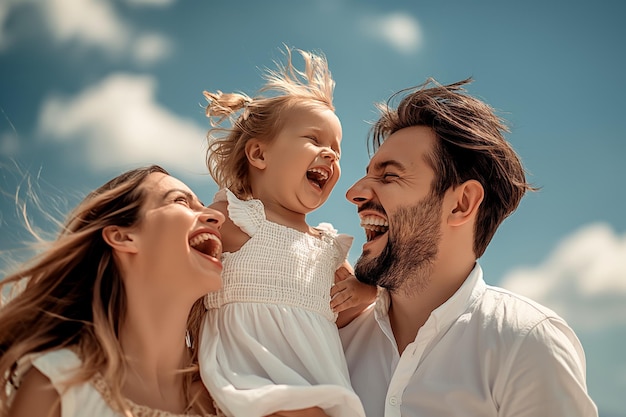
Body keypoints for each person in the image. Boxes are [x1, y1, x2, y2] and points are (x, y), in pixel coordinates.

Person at [338, 78, 599, 417]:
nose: (354, 193)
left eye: (389, 177)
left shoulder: (526, 343)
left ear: (461, 204)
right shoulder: (334, 340)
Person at [0, 165, 327, 417]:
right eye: (182, 202)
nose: (214, 216)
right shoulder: (58, 384)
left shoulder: (235, 398)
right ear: (123, 237)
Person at [198, 47, 375, 417]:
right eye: (314, 140)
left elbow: (342, 311)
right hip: (246, 387)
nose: (330, 155)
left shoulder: (327, 248)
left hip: (318, 393)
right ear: (259, 155)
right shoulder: (234, 219)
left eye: (336, 150)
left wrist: (364, 290)